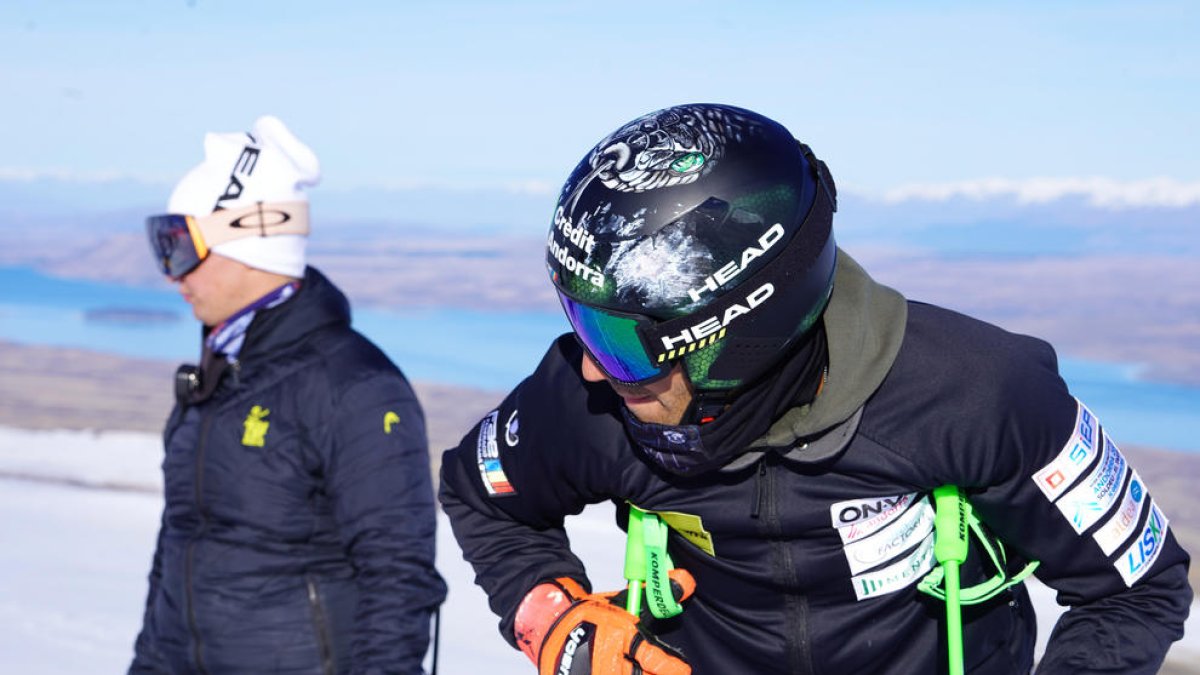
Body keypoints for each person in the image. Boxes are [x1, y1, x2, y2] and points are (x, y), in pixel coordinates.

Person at [439, 104, 1191, 674]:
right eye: (582, 320)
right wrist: (555, 617)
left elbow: (1137, 584)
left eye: (625, 337)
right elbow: (479, 492)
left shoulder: (976, 392)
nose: (594, 366)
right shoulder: (590, 401)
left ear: (739, 330)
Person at [131, 116, 446, 674]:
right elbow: (177, 558)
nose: (171, 275)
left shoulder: (357, 388)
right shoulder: (216, 374)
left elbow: (398, 578)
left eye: (180, 247)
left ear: (248, 242)